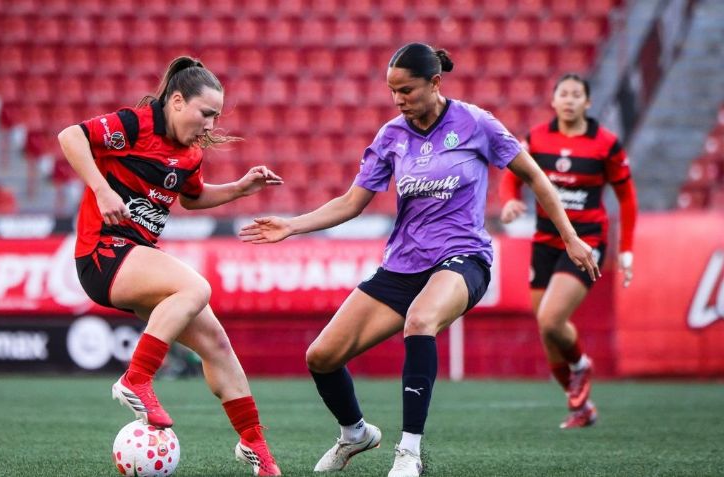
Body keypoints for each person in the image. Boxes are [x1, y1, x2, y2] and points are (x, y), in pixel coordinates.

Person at [239, 43, 600, 477]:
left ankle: (409, 453)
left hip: (463, 258)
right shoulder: (391, 135)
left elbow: (535, 177)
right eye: (392, 91)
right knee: (321, 356)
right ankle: (355, 433)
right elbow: (353, 202)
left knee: (420, 321)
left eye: (406, 90)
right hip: (403, 265)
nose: (398, 100)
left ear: (435, 83)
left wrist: (570, 237)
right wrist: (293, 225)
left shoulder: (476, 123)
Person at [57, 56, 282, 476]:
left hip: (137, 257)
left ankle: (256, 448)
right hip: (103, 253)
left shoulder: (191, 154)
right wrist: (102, 191)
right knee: (195, 288)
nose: (211, 124)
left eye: (216, 115)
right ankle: (136, 379)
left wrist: (239, 188)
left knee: (217, 344)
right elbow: (71, 136)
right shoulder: (135, 124)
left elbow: (192, 198)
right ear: (177, 101)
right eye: (206, 113)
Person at [499, 73, 637, 429]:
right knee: (548, 332)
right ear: (554, 100)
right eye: (564, 93)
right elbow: (512, 174)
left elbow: (627, 197)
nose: (571, 100)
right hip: (545, 240)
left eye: (578, 94)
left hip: (587, 240)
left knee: (550, 318)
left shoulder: (605, 144)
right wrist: (511, 200)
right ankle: (582, 408)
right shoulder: (538, 138)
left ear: (588, 103)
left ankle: (580, 366)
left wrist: (626, 249)